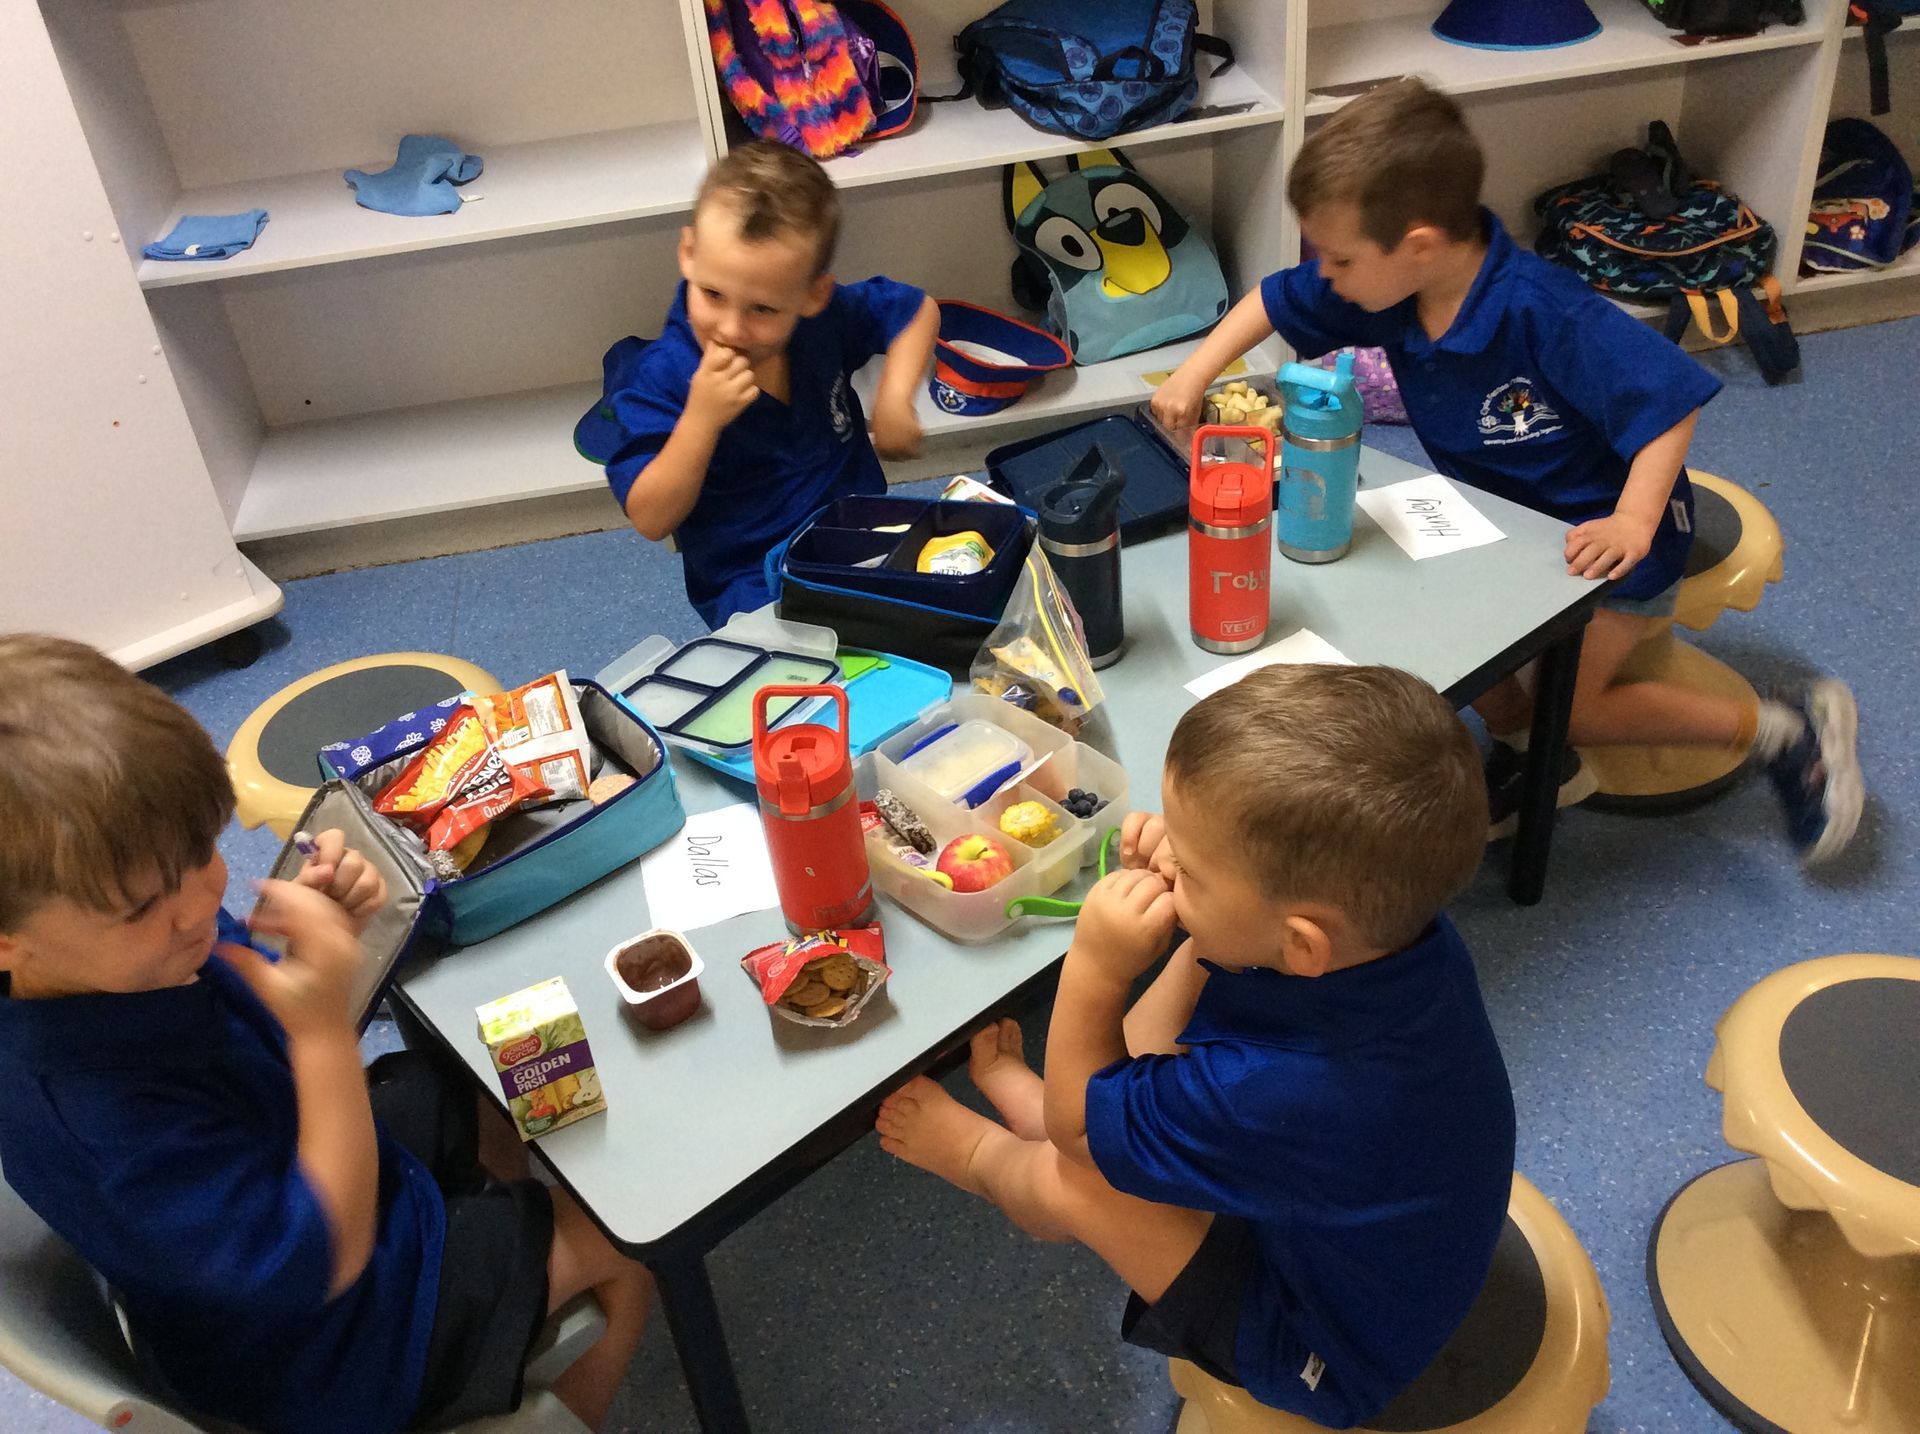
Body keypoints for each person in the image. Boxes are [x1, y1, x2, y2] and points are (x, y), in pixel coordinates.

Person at [1153, 78, 1863, 864]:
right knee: (1451, 642)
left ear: (1418, 245)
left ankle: (1785, 728)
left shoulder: (1543, 308)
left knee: (1581, 708)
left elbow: (1668, 404)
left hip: (1612, 539)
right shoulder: (1392, 283)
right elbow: (1274, 300)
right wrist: (1195, 374)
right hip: (1509, 521)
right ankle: (1533, 751)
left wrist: (1632, 519)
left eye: (1339, 257)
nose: (1325, 274)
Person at [0, 635, 653, 1434]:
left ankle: (493, 1251)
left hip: (287, 1194)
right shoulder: (96, 1128)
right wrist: (323, 1037)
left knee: (461, 1079)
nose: (203, 902)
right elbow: (323, 1257)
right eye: (141, 907)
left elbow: (250, 984)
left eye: (200, 852)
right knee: (632, 1242)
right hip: (324, 1352)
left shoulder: (125, 960)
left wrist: (321, 930)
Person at [878, 664, 1516, 1428]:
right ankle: (1055, 1103)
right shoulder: (1401, 944)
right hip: (1343, 1220)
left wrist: (1096, 968)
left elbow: (1088, 1143)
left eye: (1195, 868)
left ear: (1300, 941)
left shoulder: (1293, 1093)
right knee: (1118, 1096)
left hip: (1322, 1348)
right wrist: (1203, 899)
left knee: (1077, 1178)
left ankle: (987, 1157)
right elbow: (1191, 1025)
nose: (1170, 864)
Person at [599, 139, 940, 628]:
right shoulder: (665, 374)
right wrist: (701, 419)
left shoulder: (823, 318)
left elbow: (914, 310)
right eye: (713, 294)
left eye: (762, 309)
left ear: (812, 295)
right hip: (752, 583)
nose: (732, 328)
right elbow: (651, 519)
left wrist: (893, 400)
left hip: (859, 533)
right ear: (689, 253)